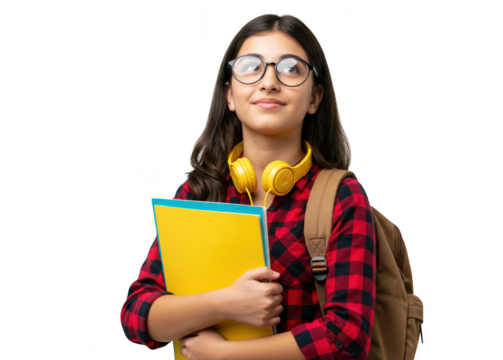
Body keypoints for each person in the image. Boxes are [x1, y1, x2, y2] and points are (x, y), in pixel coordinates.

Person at [120, 13, 376, 360]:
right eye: (251, 67)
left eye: (290, 69)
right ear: (229, 94)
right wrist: (224, 304)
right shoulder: (199, 192)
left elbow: (347, 336)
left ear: (315, 98)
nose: (269, 82)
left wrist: (226, 356)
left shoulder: (342, 198)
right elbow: (137, 315)